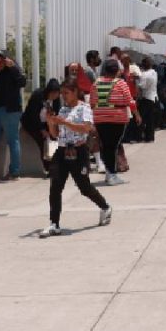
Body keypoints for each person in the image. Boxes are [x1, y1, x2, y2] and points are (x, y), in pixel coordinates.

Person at [39, 80, 112, 238]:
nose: (63, 96)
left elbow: (86, 128)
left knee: (84, 187)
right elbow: (56, 134)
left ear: (75, 92)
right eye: (62, 93)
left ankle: (105, 206)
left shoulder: (83, 108)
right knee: (55, 186)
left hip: (78, 151)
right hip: (62, 150)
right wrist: (52, 123)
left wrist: (63, 121)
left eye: (66, 93)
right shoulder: (63, 109)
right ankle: (54, 223)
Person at [90, 59, 140, 186]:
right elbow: (130, 101)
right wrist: (137, 115)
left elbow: (92, 102)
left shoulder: (96, 83)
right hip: (117, 119)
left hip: (100, 119)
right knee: (113, 146)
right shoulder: (121, 83)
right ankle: (111, 174)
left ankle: (109, 173)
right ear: (117, 71)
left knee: (106, 146)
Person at [0, 52, 27, 181]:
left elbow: (22, 82)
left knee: (13, 141)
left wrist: (13, 67)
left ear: (7, 61)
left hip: (10, 111)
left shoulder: (13, 72)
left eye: (1, 61)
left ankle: (15, 172)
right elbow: (0, 92)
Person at [21, 79, 61, 176]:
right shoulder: (38, 96)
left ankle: (55, 166)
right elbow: (33, 114)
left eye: (56, 93)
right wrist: (42, 129)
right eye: (53, 93)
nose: (54, 96)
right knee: (42, 141)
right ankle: (47, 167)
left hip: (46, 123)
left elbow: (56, 113)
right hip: (32, 123)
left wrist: (53, 128)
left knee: (54, 140)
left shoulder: (56, 100)